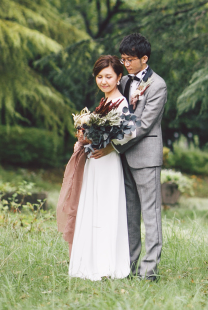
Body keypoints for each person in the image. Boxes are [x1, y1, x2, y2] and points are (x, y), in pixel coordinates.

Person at [90, 34, 168, 281]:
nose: (126, 64)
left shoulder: (158, 85)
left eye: (131, 59)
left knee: (151, 215)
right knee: (130, 215)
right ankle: (129, 266)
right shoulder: (124, 83)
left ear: (144, 58)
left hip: (145, 156)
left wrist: (112, 146)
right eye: (123, 59)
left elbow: (143, 125)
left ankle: (149, 271)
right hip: (123, 160)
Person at [66, 55, 137, 281]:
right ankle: (90, 261)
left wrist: (110, 148)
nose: (104, 81)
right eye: (99, 77)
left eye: (108, 76)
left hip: (108, 163)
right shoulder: (102, 103)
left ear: (119, 77)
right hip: (94, 162)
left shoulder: (121, 103)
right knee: (93, 206)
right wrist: (84, 136)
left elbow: (129, 133)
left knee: (106, 207)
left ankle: (107, 264)